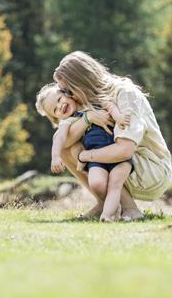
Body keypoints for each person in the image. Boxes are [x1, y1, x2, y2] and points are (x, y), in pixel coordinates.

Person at [52, 51, 172, 220]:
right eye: (61, 91)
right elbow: (63, 141)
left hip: (150, 170)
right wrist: (88, 118)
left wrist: (85, 155)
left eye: (67, 90)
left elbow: (124, 150)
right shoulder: (90, 99)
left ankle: (129, 208)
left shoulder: (125, 93)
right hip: (127, 165)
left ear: (80, 83)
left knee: (77, 148)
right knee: (65, 144)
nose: (66, 96)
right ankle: (105, 203)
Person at [36, 83, 133, 221]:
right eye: (55, 110)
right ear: (56, 118)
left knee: (115, 183)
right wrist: (55, 156)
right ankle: (109, 210)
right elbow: (60, 138)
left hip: (114, 151)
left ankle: (120, 210)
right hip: (96, 159)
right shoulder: (68, 121)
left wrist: (118, 117)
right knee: (97, 183)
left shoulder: (89, 102)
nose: (60, 106)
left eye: (59, 100)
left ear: (67, 94)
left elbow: (109, 104)